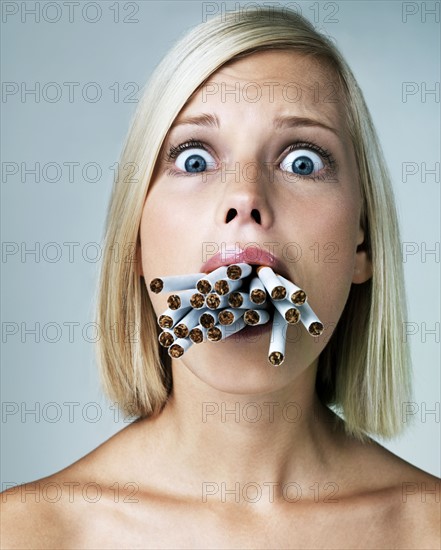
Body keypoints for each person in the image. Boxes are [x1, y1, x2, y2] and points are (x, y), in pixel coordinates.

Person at [1, 7, 439, 549]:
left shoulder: (428, 529)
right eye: (193, 159)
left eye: (302, 161)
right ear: (134, 241)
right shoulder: (25, 533)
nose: (245, 198)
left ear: (361, 247)